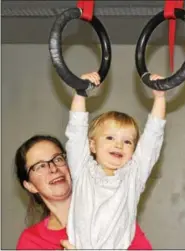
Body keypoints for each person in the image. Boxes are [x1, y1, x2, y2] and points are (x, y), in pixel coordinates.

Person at [65, 72, 166, 249]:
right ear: (92, 146)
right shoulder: (82, 169)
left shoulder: (132, 177)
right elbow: (76, 132)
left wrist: (159, 98)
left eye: (127, 141)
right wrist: (80, 93)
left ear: (134, 151)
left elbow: (152, 138)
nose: (119, 145)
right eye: (110, 138)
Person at [15, 135, 153, 250]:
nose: (53, 168)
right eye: (40, 166)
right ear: (30, 185)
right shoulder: (31, 241)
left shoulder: (113, 214)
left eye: (57, 159)